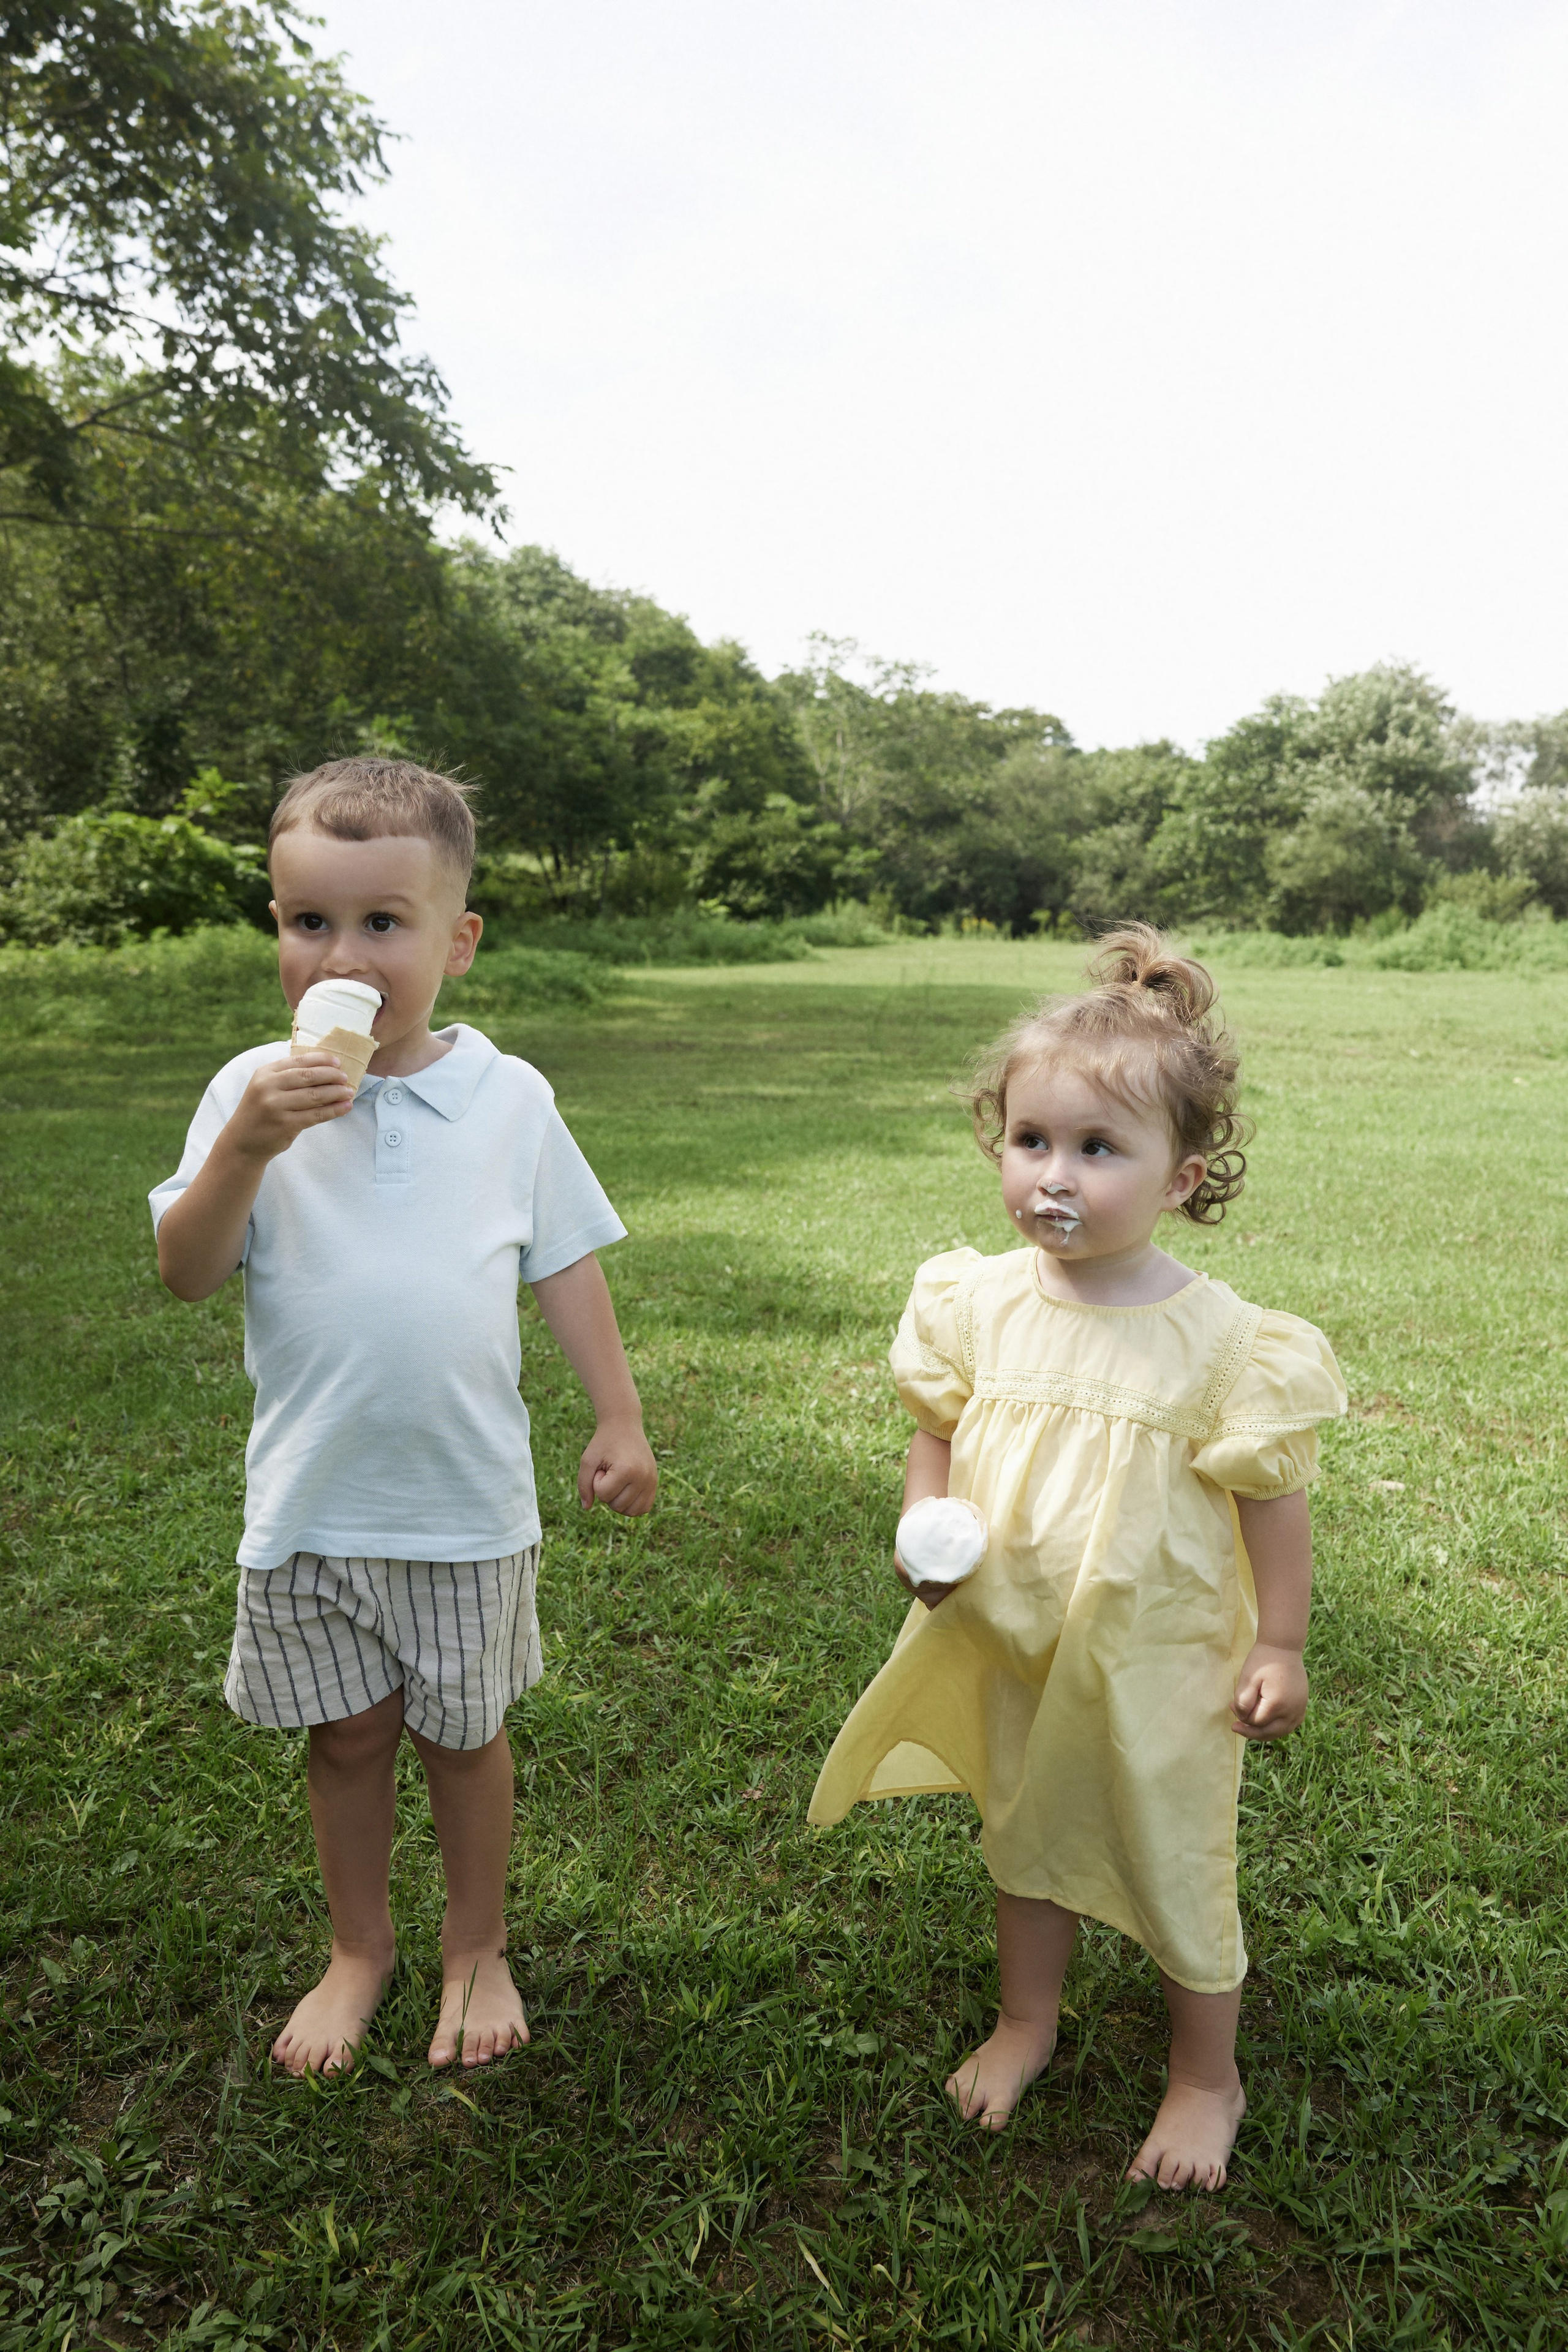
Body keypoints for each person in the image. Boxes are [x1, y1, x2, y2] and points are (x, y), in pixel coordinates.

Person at [807, 927, 1345, 2190]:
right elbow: (934, 1437)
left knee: (1169, 1846)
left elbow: (1273, 1506)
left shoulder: (1223, 1343)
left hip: (1153, 1649)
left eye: (1099, 1149)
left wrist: (1278, 1642)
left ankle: (1204, 2075)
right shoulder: (978, 1300)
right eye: (1031, 1140)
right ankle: (1024, 2020)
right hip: (1007, 1625)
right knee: (1023, 1821)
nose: (1054, 1175)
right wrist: (921, 1532)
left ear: (1179, 1176)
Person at [151, 757, 657, 2078]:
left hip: (463, 1501)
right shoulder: (247, 1093)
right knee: (348, 1737)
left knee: (465, 1736)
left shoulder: (509, 1098)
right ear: (276, 928)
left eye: (384, 924)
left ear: (457, 942)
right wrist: (246, 1148)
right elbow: (188, 1270)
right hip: (313, 1498)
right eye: (308, 923)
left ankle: (473, 1945)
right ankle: (359, 1948)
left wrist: (618, 1417)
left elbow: (565, 1260)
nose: (344, 956)